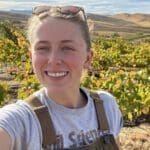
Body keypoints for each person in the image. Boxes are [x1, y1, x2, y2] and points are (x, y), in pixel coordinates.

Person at [0, 5, 123, 150]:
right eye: (42, 48)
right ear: (31, 57)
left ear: (88, 58)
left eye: (67, 48)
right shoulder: (20, 120)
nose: (53, 59)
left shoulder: (107, 105)